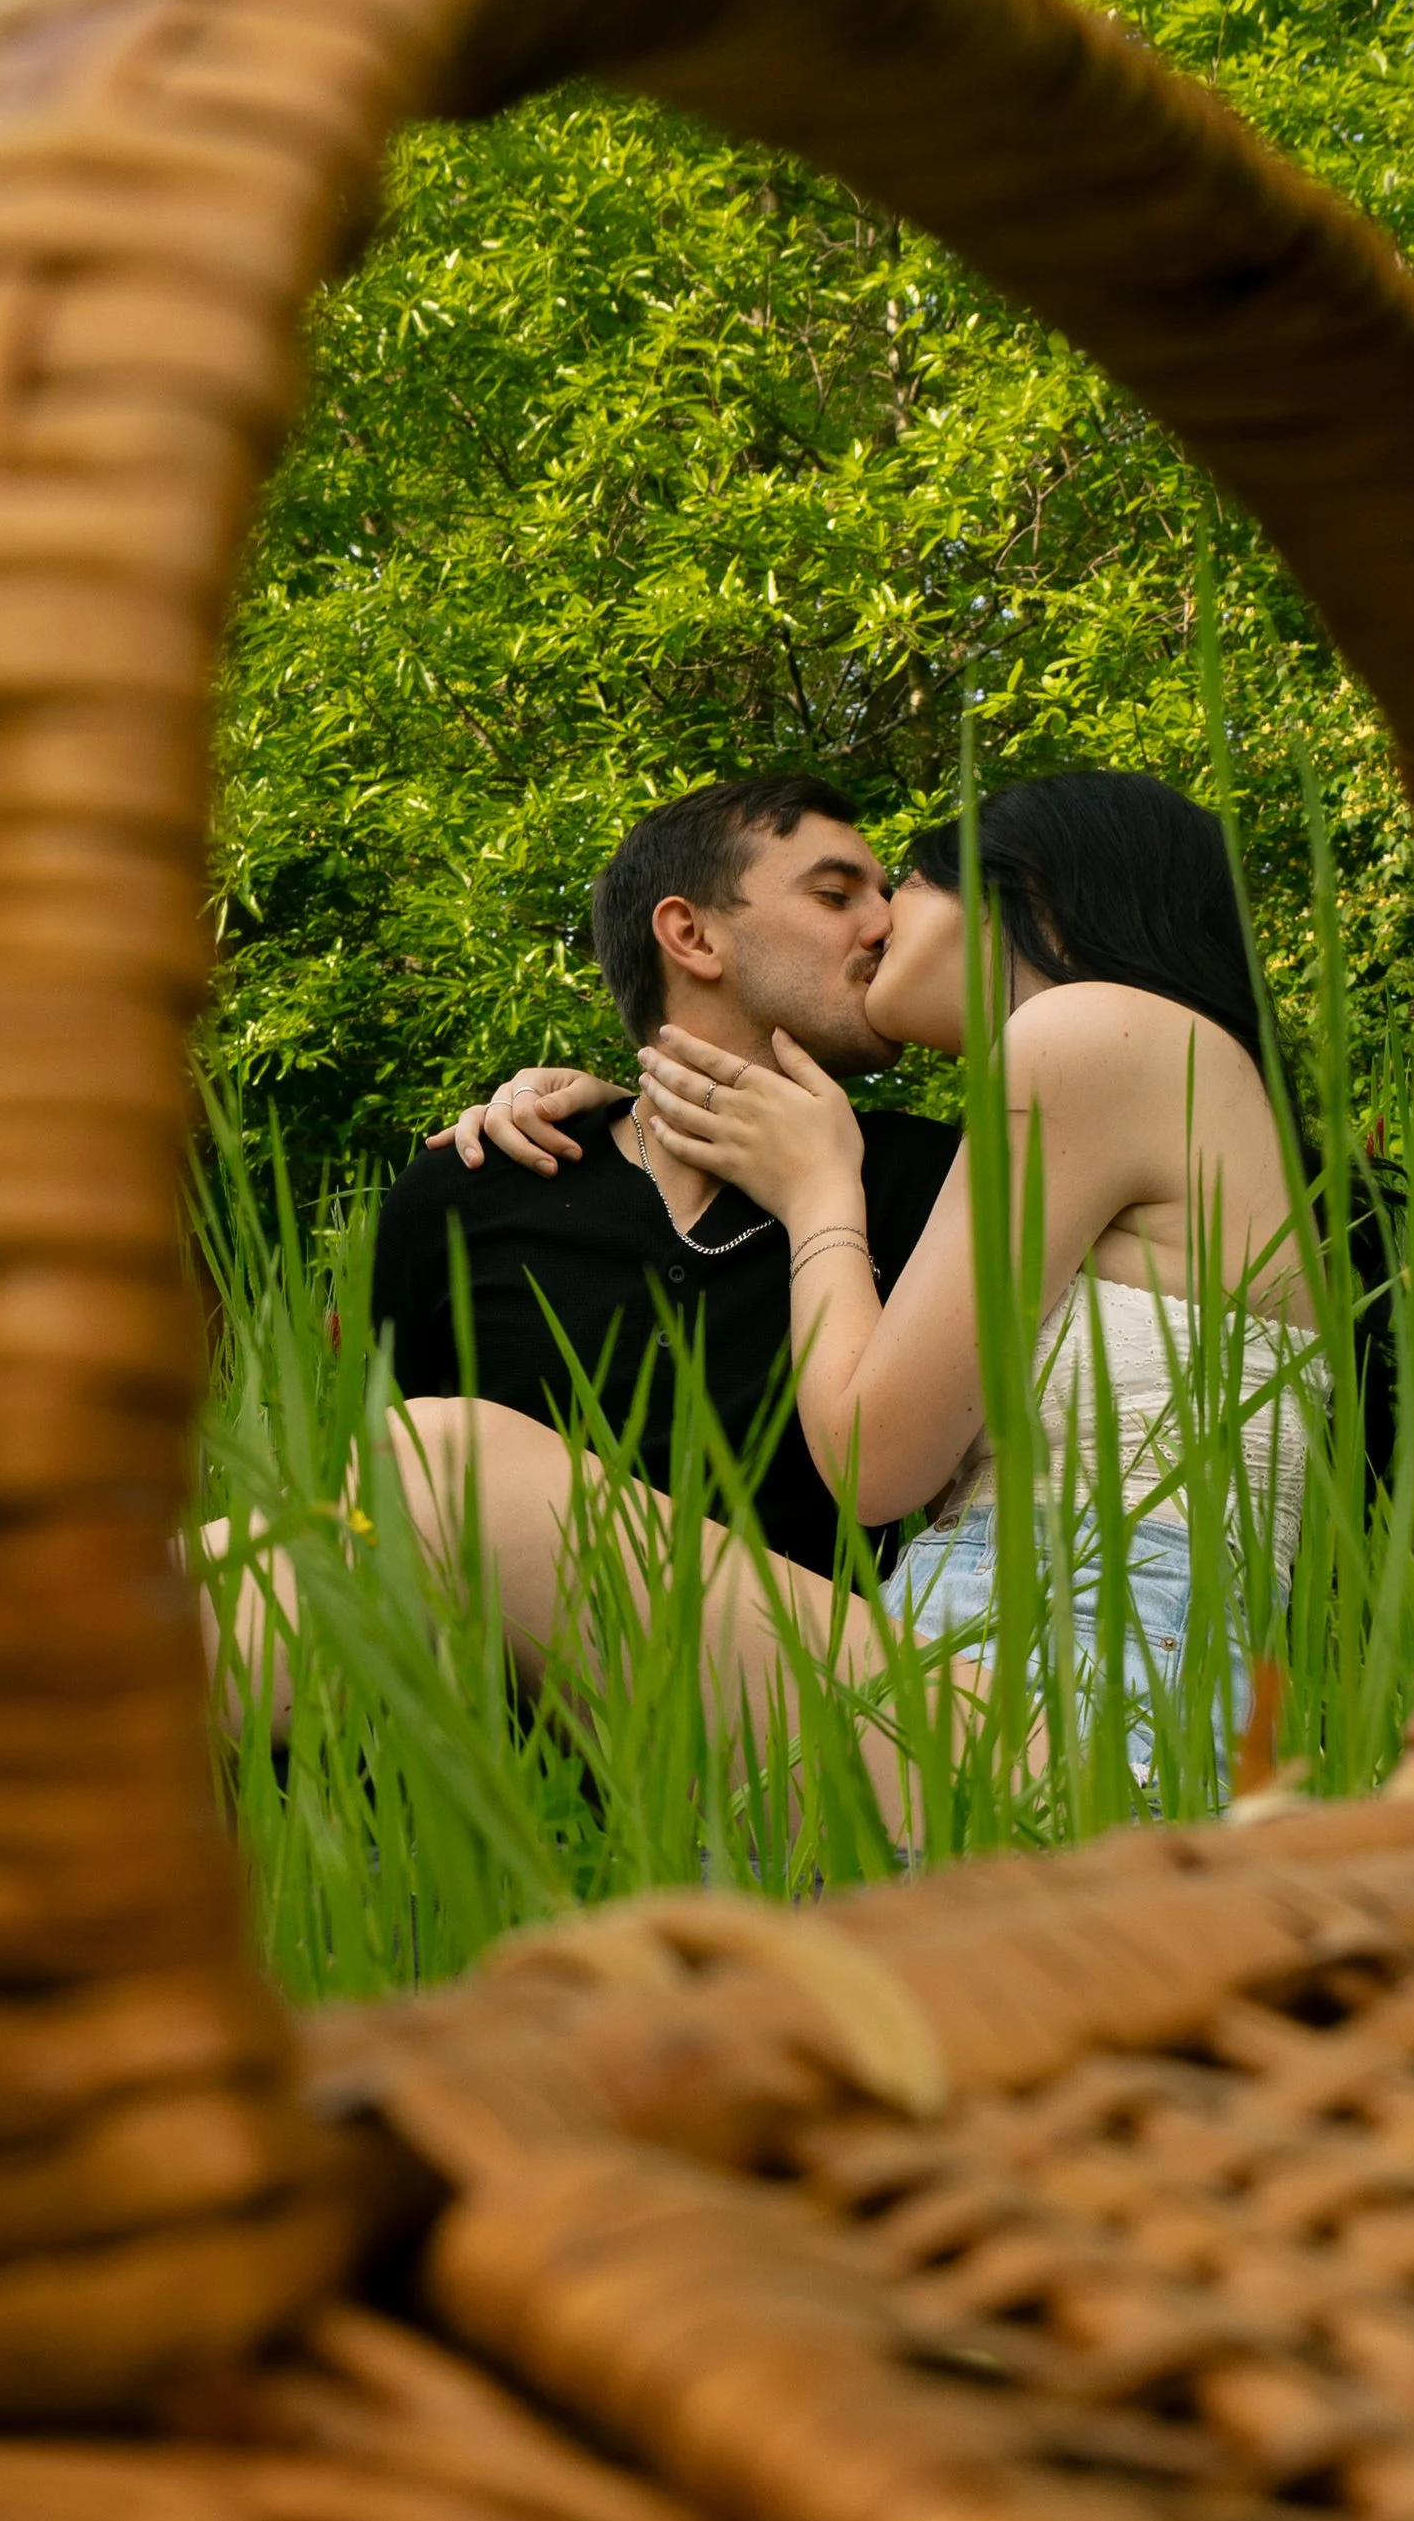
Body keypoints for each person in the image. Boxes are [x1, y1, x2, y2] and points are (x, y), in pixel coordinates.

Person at [387, 770, 1331, 1833]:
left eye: (907, 882)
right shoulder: (1143, 1079)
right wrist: (623, 1099)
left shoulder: (1087, 1037)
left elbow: (873, 1465)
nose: (881, 924)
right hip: (963, 1684)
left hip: (1068, 1714)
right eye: (845, 895)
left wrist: (819, 1191)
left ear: (1033, 899)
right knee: (317, 1560)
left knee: (439, 1456)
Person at [372, 775, 960, 1573]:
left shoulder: (940, 1186)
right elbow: (376, 1522)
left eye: (886, 896)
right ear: (691, 935)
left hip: (820, 1681)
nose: (886, 928)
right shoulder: (469, 1190)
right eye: (835, 896)